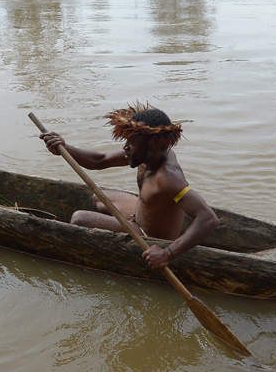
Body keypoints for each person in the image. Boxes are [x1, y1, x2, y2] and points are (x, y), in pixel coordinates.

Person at [38, 103, 219, 269]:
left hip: (149, 237)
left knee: (79, 219)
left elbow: (208, 218)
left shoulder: (168, 177)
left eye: (132, 142)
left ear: (154, 144)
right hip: (137, 217)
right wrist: (64, 146)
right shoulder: (144, 154)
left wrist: (166, 254)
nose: (126, 147)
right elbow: (100, 160)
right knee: (98, 197)